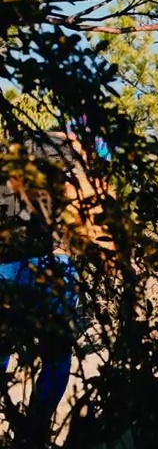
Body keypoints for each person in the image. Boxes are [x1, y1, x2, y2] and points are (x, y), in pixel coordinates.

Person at [1, 129, 100, 447]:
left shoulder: (14, 154)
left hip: (6, 258)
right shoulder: (72, 153)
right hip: (51, 260)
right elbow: (83, 206)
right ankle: (34, 432)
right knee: (57, 355)